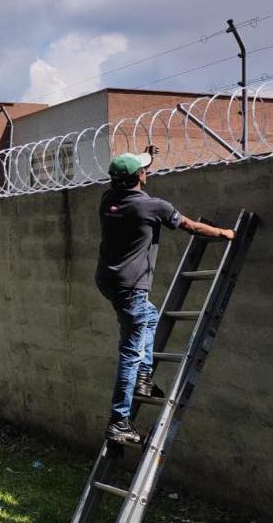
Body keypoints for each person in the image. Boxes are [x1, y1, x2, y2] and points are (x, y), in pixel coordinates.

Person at [96, 148, 235, 444]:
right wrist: (224, 233)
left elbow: (129, 178)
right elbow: (191, 227)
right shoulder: (152, 207)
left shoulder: (108, 200)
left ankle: (144, 378)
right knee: (130, 350)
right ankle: (119, 421)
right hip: (131, 285)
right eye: (144, 169)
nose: (148, 172)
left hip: (109, 280)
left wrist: (143, 158)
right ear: (139, 177)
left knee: (150, 316)